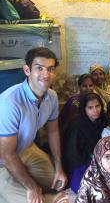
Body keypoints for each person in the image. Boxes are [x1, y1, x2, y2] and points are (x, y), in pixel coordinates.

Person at [0, 47, 67, 203]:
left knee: (55, 181)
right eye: (39, 68)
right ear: (27, 70)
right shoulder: (11, 102)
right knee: (34, 199)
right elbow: (6, 154)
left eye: (50, 69)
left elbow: (53, 132)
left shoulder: (52, 96)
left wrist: (59, 167)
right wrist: (31, 186)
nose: (45, 74)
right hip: (3, 158)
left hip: (25, 148)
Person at [63, 92, 107, 193]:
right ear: (84, 109)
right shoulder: (77, 126)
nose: (95, 111)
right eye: (90, 108)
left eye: (97, 106)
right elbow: (73, 154)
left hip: (104, 161)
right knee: (82, 188)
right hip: (82, 163)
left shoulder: (104, 121)